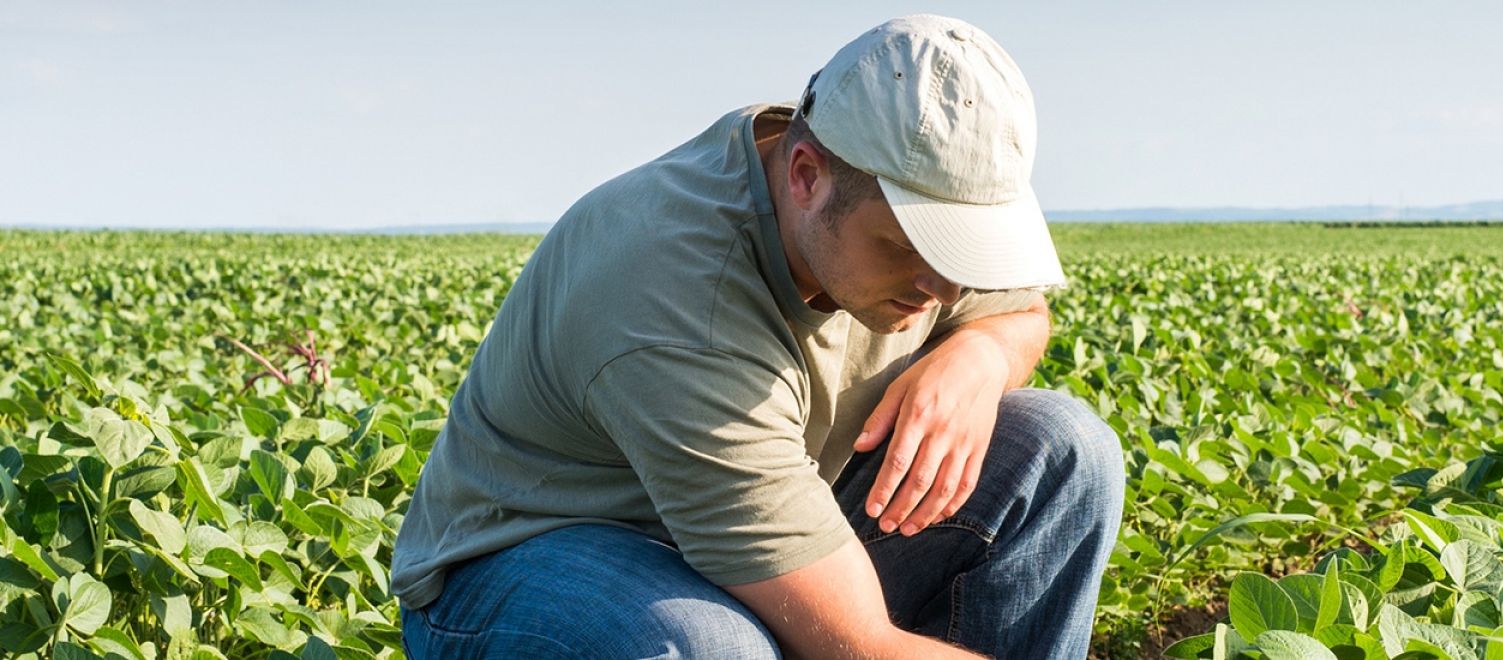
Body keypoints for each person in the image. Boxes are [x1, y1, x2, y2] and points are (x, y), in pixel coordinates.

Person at [390, 14, 1122, 658]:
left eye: (966, 252)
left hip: (764, 531)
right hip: (534, 565)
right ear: (806, 176)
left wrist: (979, 355)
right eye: (912, 247)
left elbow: (1020, 313)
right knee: (711, 648)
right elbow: (860, 646)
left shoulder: (893, 192)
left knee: (1064, 449)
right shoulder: (673, 293)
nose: (946, 290)